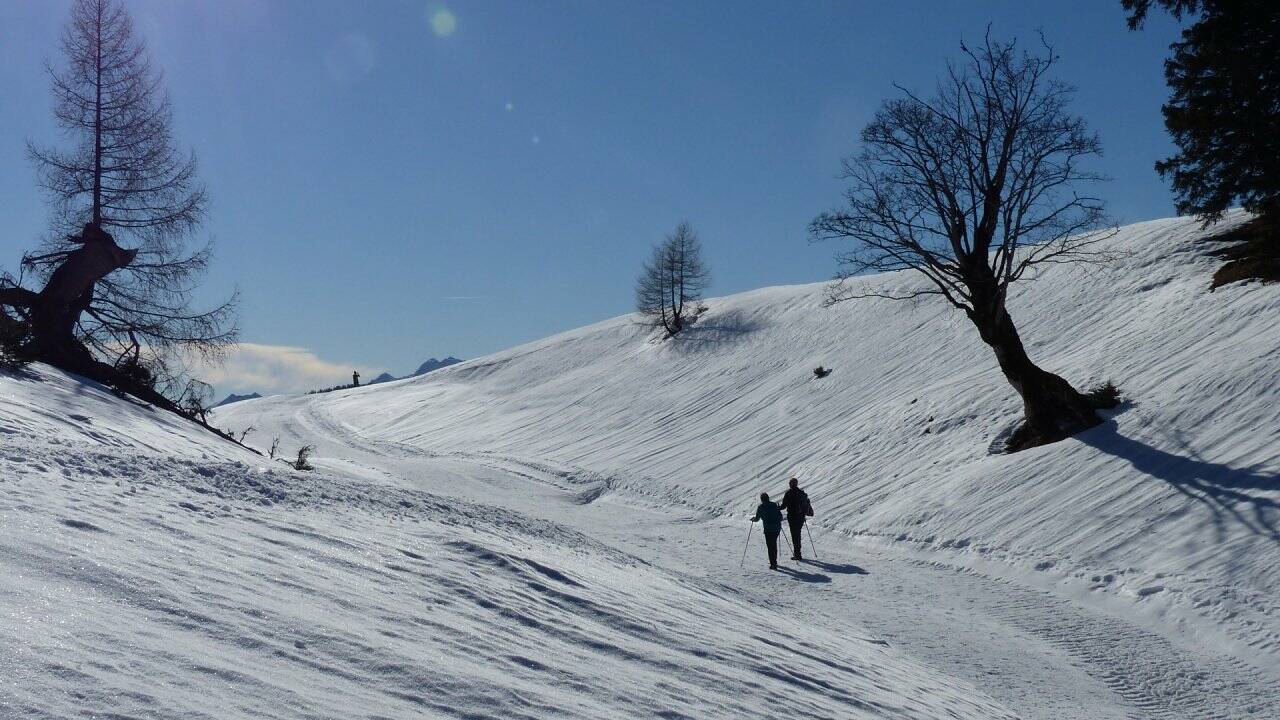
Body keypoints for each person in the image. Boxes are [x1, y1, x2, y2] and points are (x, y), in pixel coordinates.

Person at [777, 478, 812, 560]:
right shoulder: (802, 493)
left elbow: (783, 506)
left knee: (794, 535)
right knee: (798, 534)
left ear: (791, 484)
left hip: (792, 517)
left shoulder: (789, 493)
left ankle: (797, 554)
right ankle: (798, 553)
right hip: (801, 517)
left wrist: (777, 508)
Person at [750, 492, 783, 569]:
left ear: (762, 499)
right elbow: (780, 517)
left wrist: (753, 520)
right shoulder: (774, 505)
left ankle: (773, 564)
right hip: (777, 528)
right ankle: (774, 562)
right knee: (774, 544)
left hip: (768, 529)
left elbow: (757, 519)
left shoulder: (761, 507)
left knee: (770, 546)